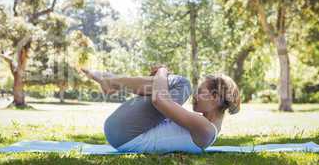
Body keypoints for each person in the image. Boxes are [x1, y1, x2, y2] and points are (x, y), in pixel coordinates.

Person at [81, 66, 240, 153]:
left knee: (183, 84)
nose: (195, 96)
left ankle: (110, 80)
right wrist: (158, 81)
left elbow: (159, 101)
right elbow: (160, 100)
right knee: (165, 85)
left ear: (215, 97)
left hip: (127, 134)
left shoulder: (206, 129)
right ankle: (109, 79)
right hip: (123, 134)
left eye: (200, 92)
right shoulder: (205, 126)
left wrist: (162, 71)